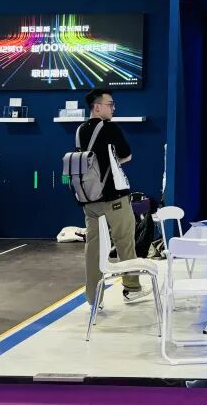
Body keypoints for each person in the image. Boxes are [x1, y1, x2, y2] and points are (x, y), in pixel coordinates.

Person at [78, 89, 146, 306]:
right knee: (125, 241)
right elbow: (126, 155)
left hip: (89, 198)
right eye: (110, 104)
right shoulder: (109, 128)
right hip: (113, 196)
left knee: (93, 248)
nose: (113, 108)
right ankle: (132, 288)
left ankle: (93, 297)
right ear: (97, 107)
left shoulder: (80, 130)